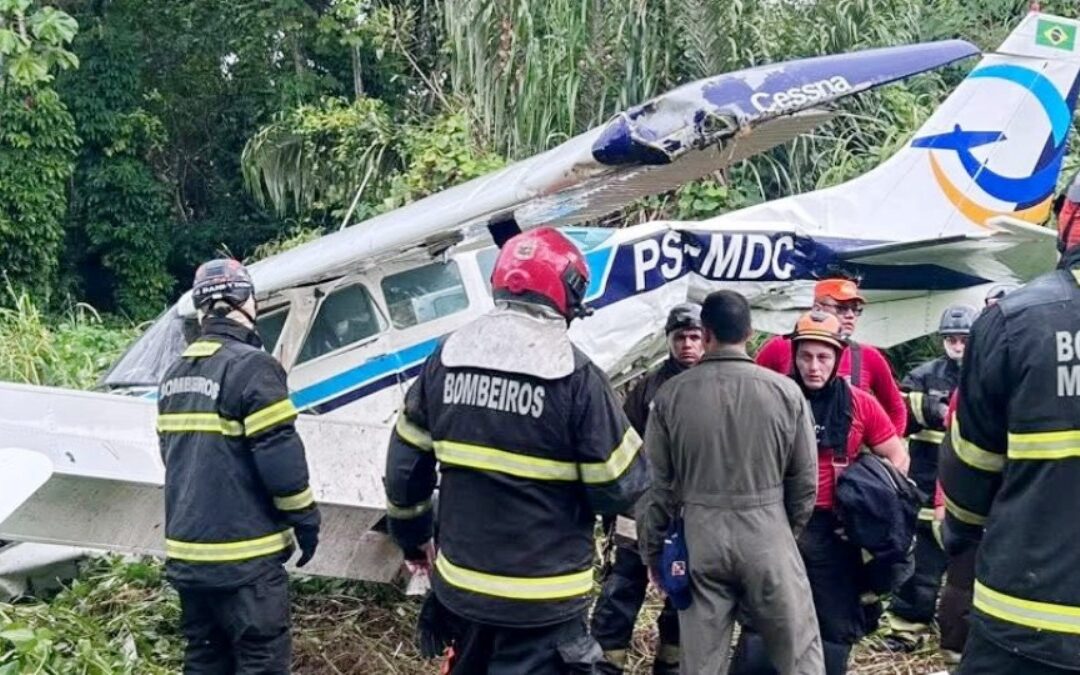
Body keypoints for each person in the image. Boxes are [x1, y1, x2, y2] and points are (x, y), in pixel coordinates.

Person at [383, 227, 649, 674]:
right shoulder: (577, 375)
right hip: (543, 604)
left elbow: (404, 472)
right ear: (568, 291)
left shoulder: (446, 358)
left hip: (460, 591)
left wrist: (412, 541)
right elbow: (620, 486)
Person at [637, 290, 823, 675]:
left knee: (700, 662)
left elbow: (655, 485)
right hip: (768, 531)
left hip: (699, 536)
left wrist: (654, 552)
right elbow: (805, 480)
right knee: (799, 655)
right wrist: (784, 529)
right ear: (750, 334)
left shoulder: (671, 395)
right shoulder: (786, 393)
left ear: (705, 334)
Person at [157, 258, 321, 674]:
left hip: (189, 558)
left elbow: (172, 456)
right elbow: (280, 457)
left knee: (205, 659)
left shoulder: (174, 374)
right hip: (246, 560)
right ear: (245, 299)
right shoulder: (254, 367)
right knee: (260, 659)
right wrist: (305, 519)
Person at [732, 311, 910, 675]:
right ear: (794, 356)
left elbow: (897, 455)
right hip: (775, 526)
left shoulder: (860, 403)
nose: (814, 366)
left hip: (835, 531)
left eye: (823, 357)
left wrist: (872, 508)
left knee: (834, 623)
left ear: (837, 358)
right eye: (806, 356)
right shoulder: (770, 398)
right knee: (762, 619)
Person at [940, 218, 1080, 674]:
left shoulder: (1015, 321)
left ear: (1068, 222)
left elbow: (971, 468)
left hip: (1025, 618)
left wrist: (960, 535)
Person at [592, 303, 705, 675]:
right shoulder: (647, 388)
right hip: (638, 509)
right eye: (680, 338)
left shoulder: (714, 384)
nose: (687, 345)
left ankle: (670, 667)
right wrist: (617, 508)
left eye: (694, 337)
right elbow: (621, 449)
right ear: (669, 340)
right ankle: (607, 666)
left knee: (681, 598)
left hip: (691, 513)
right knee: (620, 591)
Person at [934, 286, 1020, 667]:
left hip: (997, 504)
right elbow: (960, 448)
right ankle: (957, 646)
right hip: (995, 504)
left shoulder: (987, 374)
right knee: (962, 579)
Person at [884, 304, 977, 649]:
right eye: (951, 338)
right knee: (920, 569)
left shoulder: (985, 373)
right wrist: (931, 407)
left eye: (963, 339)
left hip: (967, 493)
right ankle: (906, 630)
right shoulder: (923, 374)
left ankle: (965, 636)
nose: (957, 344)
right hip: (925, 489)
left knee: (967, 575)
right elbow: (899, 411)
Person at [756, 277, 907, 435]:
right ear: (817, 309)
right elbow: (751, 393)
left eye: (855, 309)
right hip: (788, 452)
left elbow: (896, 408)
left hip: (844, 456)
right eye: (841, 308)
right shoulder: (779, 347)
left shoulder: (869, 356)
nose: (850, 315)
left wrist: (887, 450)